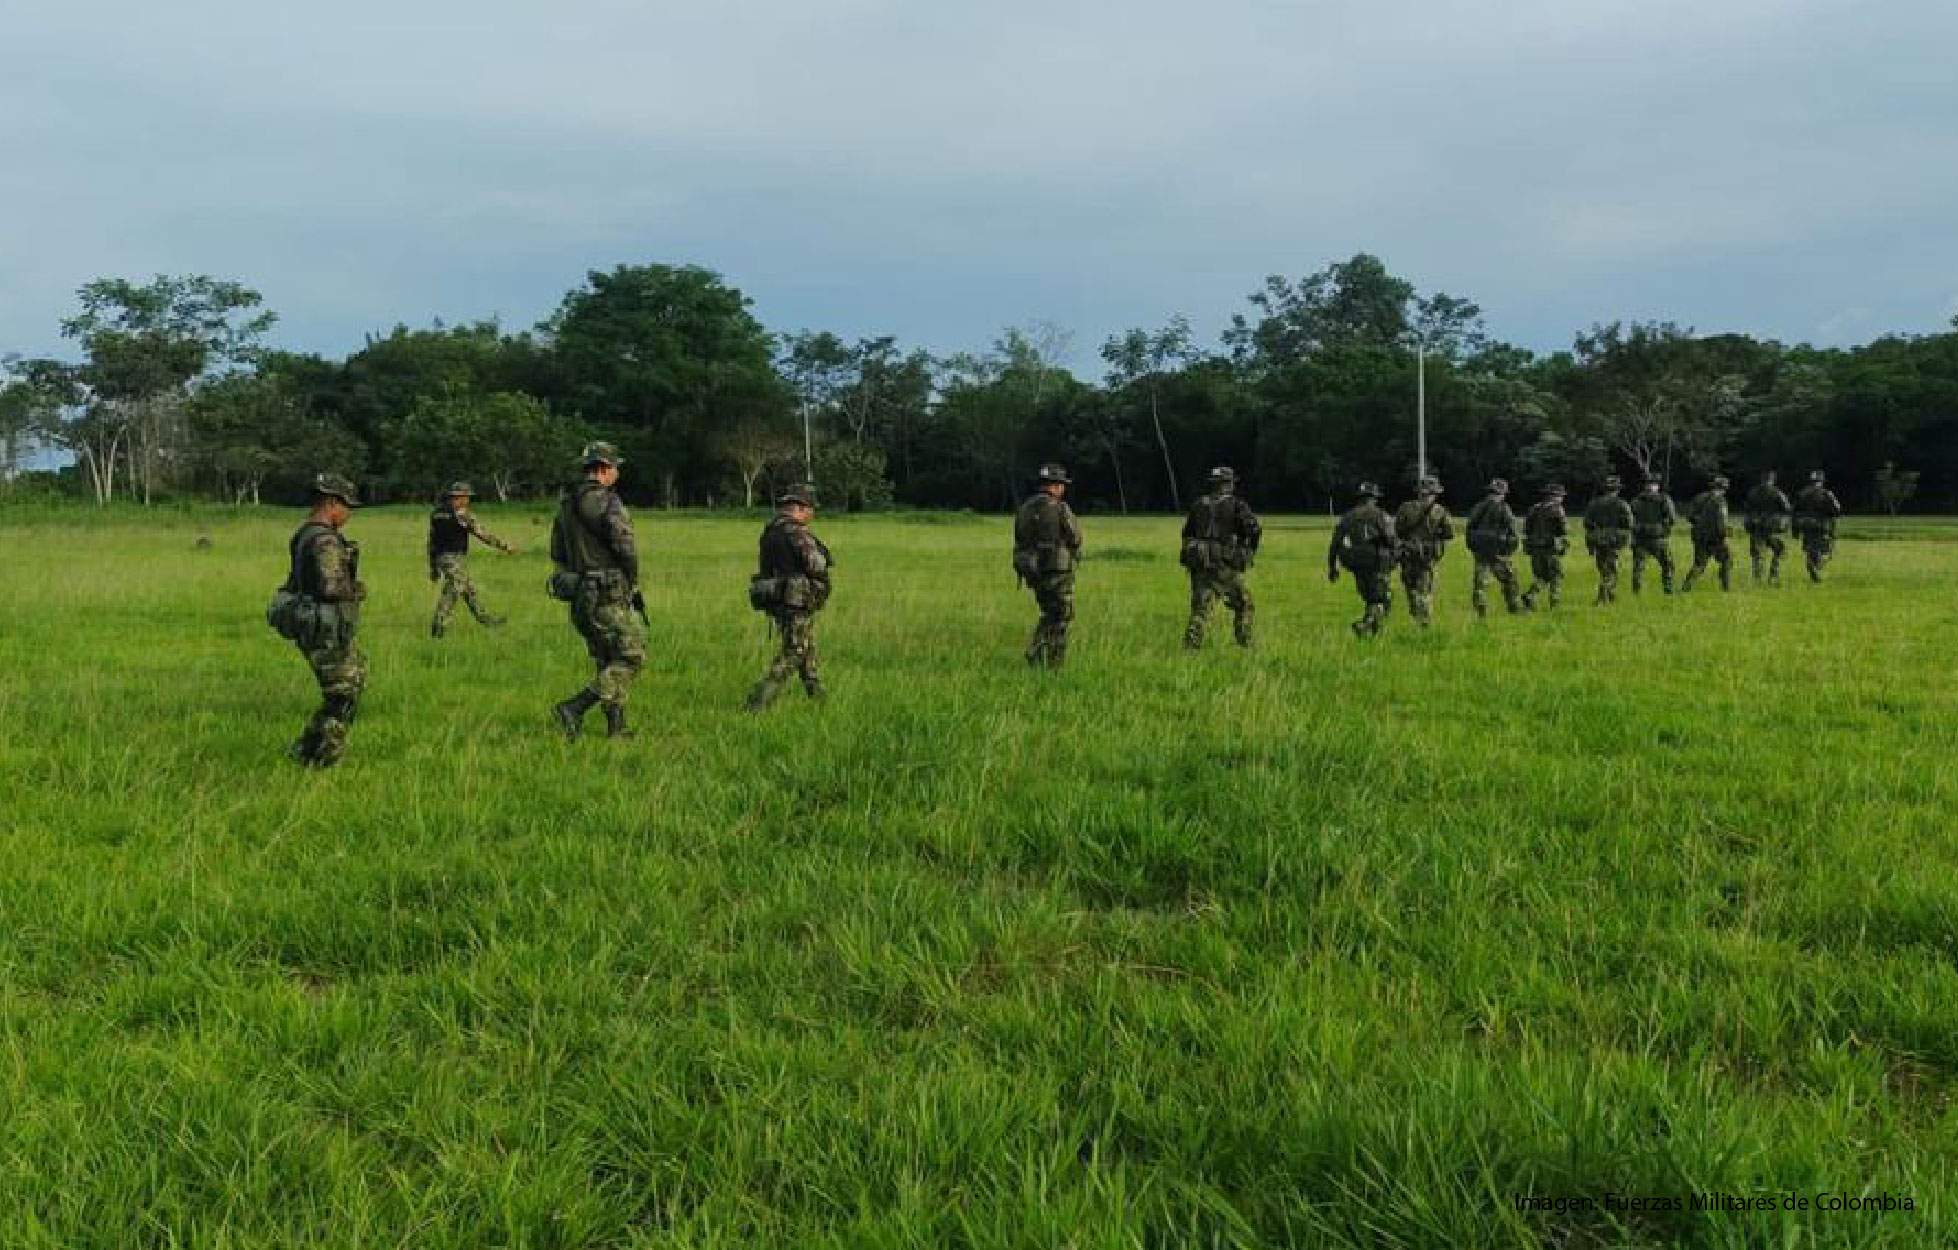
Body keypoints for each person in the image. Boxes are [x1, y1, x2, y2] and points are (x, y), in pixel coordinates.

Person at [548, 442, 644, 739]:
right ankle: (574, 708)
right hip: (607, 592)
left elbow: (558, 552)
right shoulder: (608, 502)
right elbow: (624, 546)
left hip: (579, 594)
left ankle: (616, 729)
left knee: (607, 658)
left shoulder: (566, 505)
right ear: (604, 469)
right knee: (631, 657)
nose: (617, 473)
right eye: (615, 467)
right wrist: (631, 578)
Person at [281, 473, 367, 768]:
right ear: (332, 502)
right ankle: (326, 759)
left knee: (351, 683)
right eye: (347, 508)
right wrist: (356, 589)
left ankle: (305, 751)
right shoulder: (326, 538)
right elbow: (331, 586)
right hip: (325, 626)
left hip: (313, 622)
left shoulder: (304, 532)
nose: (348, 515)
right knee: (342, 696)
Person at [745, 484, 832, 710]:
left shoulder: (770, 532)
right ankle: (758, 702)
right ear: (800, 508)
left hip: (778, 598)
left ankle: (817, 695)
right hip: (797, 599)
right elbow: (816, 564)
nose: (812, 514)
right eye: (810, 508)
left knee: (806, 646)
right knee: (794, 652)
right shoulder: (796, 533)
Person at [1180, 466, 1261, 649]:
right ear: (1228, 484)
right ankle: (1245, 641)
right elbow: (1254, 529)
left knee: (1201, 608)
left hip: (1200, 564)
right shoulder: (1236, 505)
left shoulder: (1199, 504)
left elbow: (1186, 533)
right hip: (1224, 566)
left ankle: (1190, 647)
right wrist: (1249, 551)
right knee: (1244, 603)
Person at [1013, 464, 1083, 668]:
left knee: (1050, 612)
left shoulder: (1024, 508)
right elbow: (1075, 538)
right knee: (1062, 614)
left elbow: (1019, 539)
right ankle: (1052, 661)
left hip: (1033, 572)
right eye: (1062, 485)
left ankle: (1037, 652)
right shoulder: (1059, 507)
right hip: (1056, 570)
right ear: (1056, 486)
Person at [427, 481, 516, 636]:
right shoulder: (462, 514)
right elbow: (482, 534)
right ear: (460, 497)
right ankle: (439, 625)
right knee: (454, 590)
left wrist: (433, 566)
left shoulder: (437, 513)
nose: (467, 501)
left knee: (469, 590)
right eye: (466, 497)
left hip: (441, 558)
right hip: (454, 558)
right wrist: (504, 546)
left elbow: (432, 541)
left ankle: (485, 619)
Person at [1328, 482, 1398, 638]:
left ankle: (1375, 635)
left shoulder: (1348, 516)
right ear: (1373, 498)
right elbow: (1391, 539)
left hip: (1356, 564)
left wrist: (1332, 567)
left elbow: (1335, 544)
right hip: (1378, 562)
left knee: (1370, 599)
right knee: (1382, 599)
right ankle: (1365, 625)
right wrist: (1397, 554)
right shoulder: (1380, 515)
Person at [1392, 476, 1453, 626]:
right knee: (1425, 590)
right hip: (1428, 557)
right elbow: (1449, 533)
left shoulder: (1405, 508)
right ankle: (1424, 622)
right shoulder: (1440, 511)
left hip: (1407, 554)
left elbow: (1397, 530)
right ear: (1435, 493)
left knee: (1411, 588)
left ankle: (1417, 615)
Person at [1465, 478, 1524, 617]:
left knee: (1480, 582)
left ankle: (1480, 610)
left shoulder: (1479, 506)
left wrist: (1474, 547)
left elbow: (1470, 527)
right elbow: (1513, 530)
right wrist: (1509, 549)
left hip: (1480, 551)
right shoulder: (1504, 508)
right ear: (1503, 493)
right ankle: (1514, 608)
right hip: (1499, 551)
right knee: (1510, 579)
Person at [1583, 476, 1634, 605]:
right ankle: (1603, 597)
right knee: (1611, 570)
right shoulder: (1622, 504)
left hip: (1598, 540)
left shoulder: (1593, 504)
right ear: (1617, 490)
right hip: (1614, 540)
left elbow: (1587, 523)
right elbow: (1629, 523)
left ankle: (1610, 595)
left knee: (1603, 568)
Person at [1681, 475, 1734, 592]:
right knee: (1727, 560)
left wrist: (1701, 524)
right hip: (1716, 539)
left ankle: (1686, 587)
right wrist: (1725, 534)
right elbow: (1721, 523)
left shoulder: (1699, 498)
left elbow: (1690, 517)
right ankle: (1726, 588)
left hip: (1699, 537)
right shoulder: (1720, 502)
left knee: (1699, 565)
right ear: (1724, 488)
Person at [1520, 484, 1569, 610]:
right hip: (1550, 548)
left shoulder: (1534, 508)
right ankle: (1555, 604)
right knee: (1556, 576)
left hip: (1535, 548)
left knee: (1541, 576)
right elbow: (1563, 530)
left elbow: (1526, 529)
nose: (1562, 498)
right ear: (1555, 496)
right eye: (1560, 496)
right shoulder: (1557, 509)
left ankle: (1531, 595)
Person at [1793, 469, 1844, 583]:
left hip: (1805, 525)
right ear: (1821, 481)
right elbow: (1837, 509)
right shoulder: (1826, 493)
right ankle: (1816, 566)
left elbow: (1794, 512)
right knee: (1825, 550)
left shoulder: (1801, 494)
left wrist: (1795, 530)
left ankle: (1812, 566)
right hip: (1821, 525)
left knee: (1810, 549)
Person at [1743, 471, 1793, 585]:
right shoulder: (1777, 492)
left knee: (1758, 554)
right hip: (1773, 528)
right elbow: (1787, 508)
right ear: (1773, 479)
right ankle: (1773, 575)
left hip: (1756, 527)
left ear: (1762, 479)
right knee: (1779, 550)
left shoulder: (1753, 492)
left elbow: (1746, 508)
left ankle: (1757, 579)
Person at [1629, 478, 1678, 595]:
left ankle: (1636, 592)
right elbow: (1671, 519)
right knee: (1667, 565)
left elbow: (1630, 521)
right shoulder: (1665, 499)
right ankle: (1668, 590)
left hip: (1640, 539)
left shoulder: (1635, 501)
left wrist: (1638, 529)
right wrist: (1662, 530)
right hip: (1658, 539)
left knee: (1638, 568)